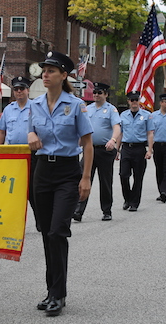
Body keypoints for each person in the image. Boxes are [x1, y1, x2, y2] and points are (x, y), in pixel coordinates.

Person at [27, 51, 93, 316]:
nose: (46, 73)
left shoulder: (76, 105)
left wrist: (86, 178)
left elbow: (87, 143)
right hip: (42, 171)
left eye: (52, 70)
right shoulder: (36, 103)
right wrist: (31, 132)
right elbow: (31, 128)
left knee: (57, 232)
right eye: (44, 70)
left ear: (64, 75)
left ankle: (59, 293)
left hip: (67, 171)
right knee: (46, 232)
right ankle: (51, 290)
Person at [0, 76, 40, 231]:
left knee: (34, 190)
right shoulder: (8, 109)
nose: (19, 91)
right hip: (13, 154)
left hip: (32, 154)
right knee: (13, 190)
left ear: (28, 90)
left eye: (22, 88)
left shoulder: (36, 107)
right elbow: (1, 131)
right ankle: (14, 223)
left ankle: (40, 221)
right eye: (16, 89)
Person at [72, 82, 121, 222]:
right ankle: (78, 211)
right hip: (89, 149)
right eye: (95, 92)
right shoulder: (88, 109)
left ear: (106, 94)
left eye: (99, 92)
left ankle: (107, 210)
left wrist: (113, 140)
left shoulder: (111, 110)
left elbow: (116, 127)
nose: (96, 95)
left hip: (105, 150)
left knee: (105, 181)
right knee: (83, 178)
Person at [118, 90, 154, 212]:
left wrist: (149, 149)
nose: (134, 102)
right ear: (128, 101)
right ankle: (127, 198)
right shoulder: (123, 115)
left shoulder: (146, 115)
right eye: (132, 100)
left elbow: (150, 133)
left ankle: (134, 202)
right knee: (123, 175)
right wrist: (117, 150)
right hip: (126, 148)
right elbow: (120, 133)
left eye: (136, 100)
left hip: (139, 148)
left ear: (139, 101)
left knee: (138, 177)